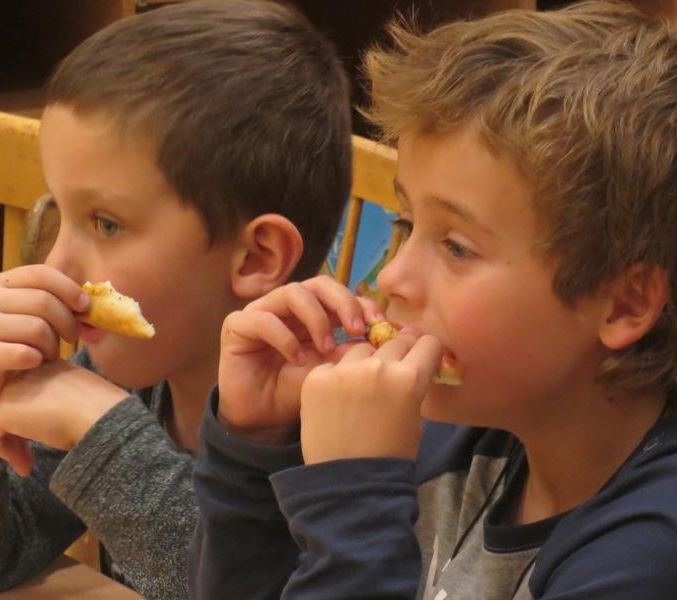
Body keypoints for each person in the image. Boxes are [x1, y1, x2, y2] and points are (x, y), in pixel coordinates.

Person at [189, 2, 677, 598]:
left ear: (623, 305)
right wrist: (253, 451)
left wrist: (355, 495)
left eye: (456, 246)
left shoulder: (648, 557)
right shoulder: (456, 440)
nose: (393, 276)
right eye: (406, 221)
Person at [0, 2, 351, 599]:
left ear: (255, 259)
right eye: (61, 213)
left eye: (106, 224)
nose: (56, 267)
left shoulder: (344, 433)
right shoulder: (128, 372)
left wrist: (105, 439)